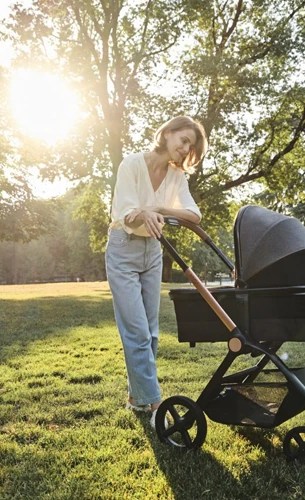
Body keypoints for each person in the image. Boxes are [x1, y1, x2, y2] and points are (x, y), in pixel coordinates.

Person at [106, 116, 207, 427]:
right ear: (167, 134)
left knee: (150, 333)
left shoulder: (177, 177)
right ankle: (155, 407)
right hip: (123, 249)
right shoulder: (131, 165)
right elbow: (126, 215)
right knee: (135, 331)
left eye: (191, 145)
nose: (185, 148)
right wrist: (141, 213)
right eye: (184, 140)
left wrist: (160, 209)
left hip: (153, 252)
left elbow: (194, 215)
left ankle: (135, 398)